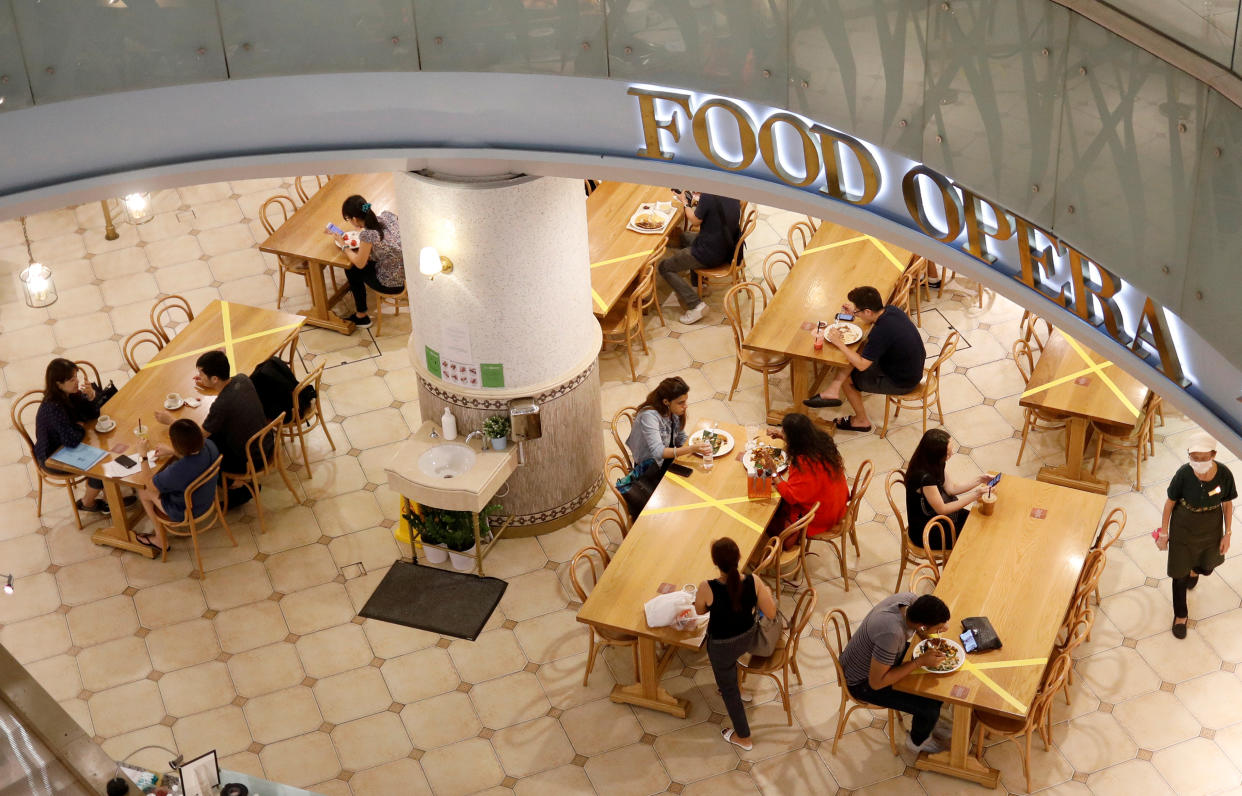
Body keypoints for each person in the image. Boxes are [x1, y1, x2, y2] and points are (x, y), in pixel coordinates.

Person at [839, 592, 952, 753]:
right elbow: (876, 683)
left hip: (877, 660)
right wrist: (919, 662)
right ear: (923, 625)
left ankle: (927, 724)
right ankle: (916, 742)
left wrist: (927, 636)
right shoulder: (891, 634)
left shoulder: (909, 600)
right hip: (861, 682)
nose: (943, 629)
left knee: (933, 684)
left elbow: (916, 629)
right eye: (939, 628)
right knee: (929, 706)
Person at [804, 285, 925, 433]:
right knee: (860, 350)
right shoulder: (892, 310)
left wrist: (838, 342)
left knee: (850, 378)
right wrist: (855, 315)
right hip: (910, 366)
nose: (855, 311)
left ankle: (861, 421)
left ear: (868, 311)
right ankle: (833, 389)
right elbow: (872, 324)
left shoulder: (881, 332)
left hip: (902, 381)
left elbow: (862, 365)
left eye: (857, 310)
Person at [695, 537, 777, 752]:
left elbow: (699, 611)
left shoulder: (707, 587)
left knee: (729, 690)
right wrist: (764, 592)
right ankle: (735, 686)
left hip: (721, 646)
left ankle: (744, 737)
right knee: (730, 673)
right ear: (739, 557)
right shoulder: (754, 581)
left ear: (715, 562)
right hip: (746, 639)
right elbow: (771, 613)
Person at [155, 350, 269, 504]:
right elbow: (227, 393)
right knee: (213, 438)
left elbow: (197, 437)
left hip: (250, 459)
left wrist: (172, 422)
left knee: (202, 451)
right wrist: (208, 383)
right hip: (266, 443)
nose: (200, 377)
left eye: (202, 375)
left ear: (215, 378)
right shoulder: (243, 379)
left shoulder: (221, 406)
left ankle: (235, 485)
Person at [1157, 433, 1235, 639]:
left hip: (1211, 526)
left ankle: (1195, 570)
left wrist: (1227, 533)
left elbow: (1227, 503)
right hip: (1184, 525)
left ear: (1213, 454)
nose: (1198, 463)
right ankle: (1180, 615)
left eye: (1203, 458)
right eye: (1194, 458)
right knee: (1178, 574)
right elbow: (1170, 502)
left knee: (1207, 566)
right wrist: (1164, 532)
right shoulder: (1184, 473)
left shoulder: (1224, 474)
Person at [34, 358, 119, 514]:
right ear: (58, 384)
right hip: (52, 457)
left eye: (76, 377)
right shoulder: (53, 407)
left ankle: (110, 498)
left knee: (106, 452)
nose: (76, 382)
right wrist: (79, 426)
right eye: (71, 379)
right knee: (99, 464)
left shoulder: (70, 394)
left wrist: (92, 396)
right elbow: (71, 440)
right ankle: (88, 502)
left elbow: (92, 415)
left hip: (64, 446)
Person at [616, 377, 711, 511]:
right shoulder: (649, 416)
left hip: (666, 461)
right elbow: (658, 452)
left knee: (699, 483)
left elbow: (679, 436)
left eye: (686, 401)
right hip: (650, 468)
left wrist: (695, 445)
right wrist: (691, 448)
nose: (686, 406)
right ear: (666, 401)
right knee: (686, 497)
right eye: (681, 402)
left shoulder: (672, 411)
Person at [759, 413, 849, 549]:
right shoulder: (821, 441)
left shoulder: (803, 463)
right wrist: (782, 436)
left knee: (767, 514)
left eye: (785, 432)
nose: (782, 432)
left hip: (823, 514)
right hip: (838, 500)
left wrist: (774, 473)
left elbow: (791, 497)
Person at [134, 420, 220, 554]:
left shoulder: (179, 471)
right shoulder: (210, 444)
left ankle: (160, 539)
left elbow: (149, 484)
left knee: (143, 491)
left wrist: (143, 456)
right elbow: (193, 457)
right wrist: (173, 451)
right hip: (207, 498)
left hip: (185, 511)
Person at [658, 190, 742, 325]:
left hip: (710, 253)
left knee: (664, 267)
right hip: (727, 246)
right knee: (685, 237)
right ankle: (700, 284)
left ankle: (696, 305)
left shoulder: (709, 196)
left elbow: (694, 220)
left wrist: (685, 203)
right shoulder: (731, 188)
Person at [325, 194, 404, 329]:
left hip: (392, 284)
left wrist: (344, 245)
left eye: (349, 219)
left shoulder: (367, 235)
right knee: (361, 263)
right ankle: (357, 298)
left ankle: (361, 316)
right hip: (406, 273)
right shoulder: (387, 216)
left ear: (354, 219)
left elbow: (360, 263)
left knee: (352, 269)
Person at [903, 429, 991, 550]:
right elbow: (942, 509)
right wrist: (975, 495)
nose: (952, 454)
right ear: (936, 455)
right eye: (948, 453)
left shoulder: (935, 462)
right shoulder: (924, 478)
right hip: (927, 529)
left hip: (939, 517)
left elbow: (951, 489)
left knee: (978, 522)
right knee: (972, 537)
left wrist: (980, 480)